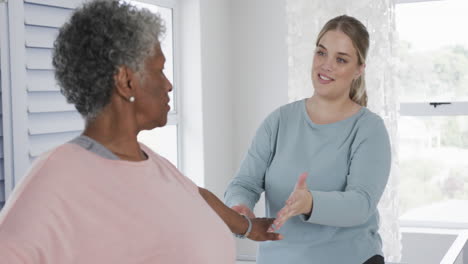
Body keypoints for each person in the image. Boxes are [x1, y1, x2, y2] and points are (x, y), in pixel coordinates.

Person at [0, 1, 281, 263]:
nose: (168, 85)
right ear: (126, 81)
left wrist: (248, 227)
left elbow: (197, 197)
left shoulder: (148, 160)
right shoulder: (56, 180)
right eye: (159, 70)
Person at [225, 15, 391, 264]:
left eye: (341, 59)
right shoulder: (279, 121)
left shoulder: (369, 129)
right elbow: (245, 183)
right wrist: (239, 207)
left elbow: (361, 203)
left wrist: (310, 202)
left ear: (358, 69)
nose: (326, 65)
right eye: (321, 53)